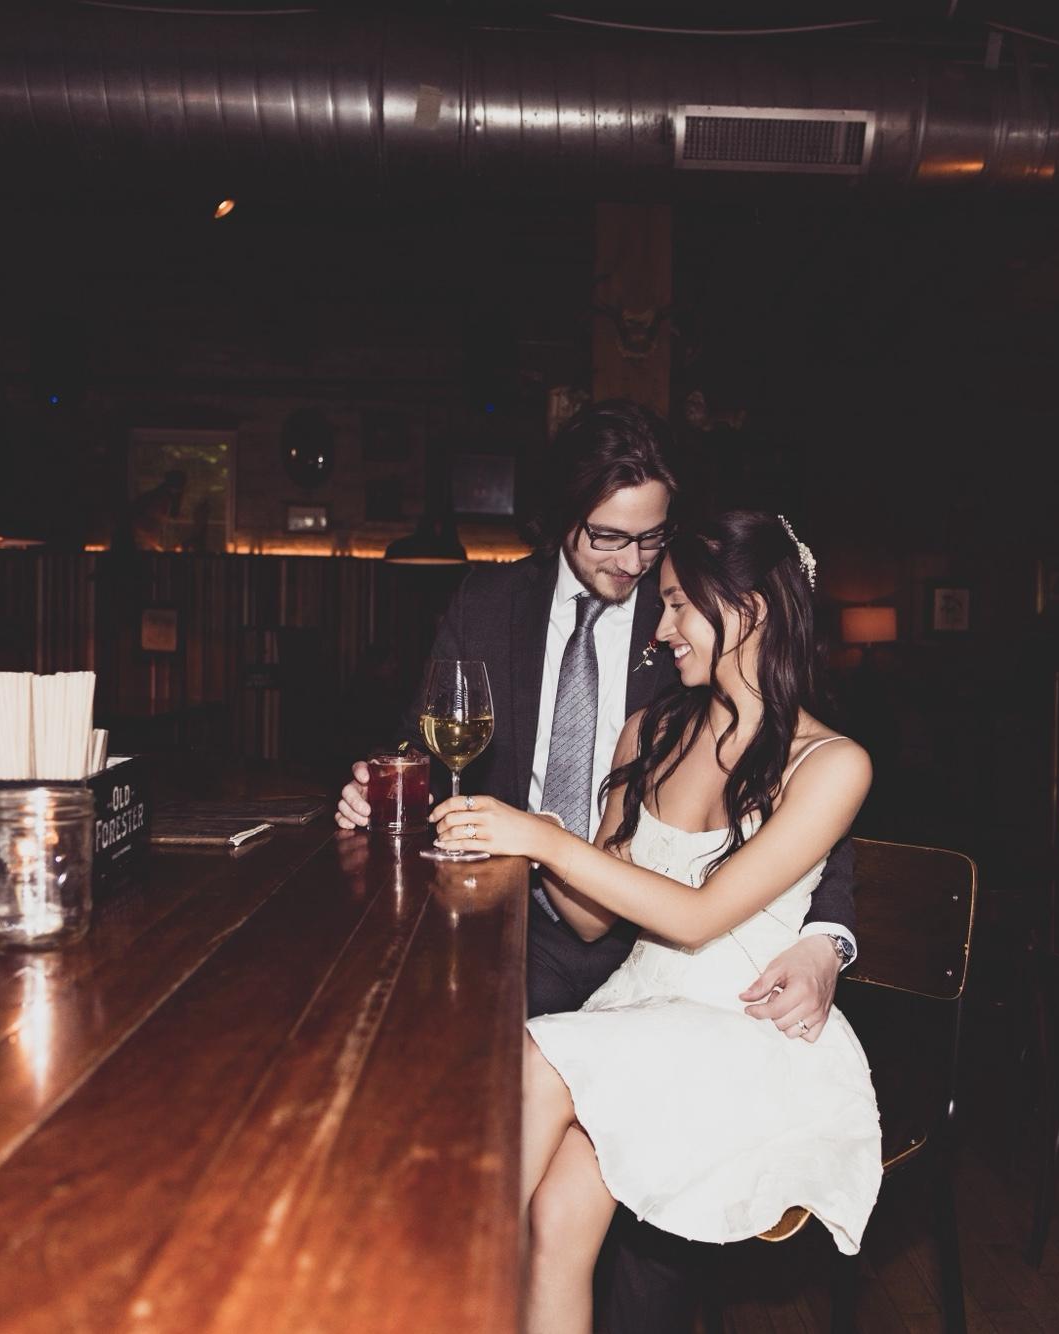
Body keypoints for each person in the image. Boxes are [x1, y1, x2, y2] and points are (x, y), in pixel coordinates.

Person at [334, 403, 860, 1330]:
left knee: (620, 1233)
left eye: (654, 545)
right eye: (611, 538)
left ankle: (404, 1291)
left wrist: (829, 938)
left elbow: (779, 860)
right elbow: (429, 753)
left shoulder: (783, 714)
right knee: (550, 1205)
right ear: (562, 520)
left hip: (717, 1000)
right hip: (560, 943)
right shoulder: (524, 631)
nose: (641, 575)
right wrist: (382, 792)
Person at [429, 510, 882, 1334]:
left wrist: (546, 839)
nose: (661, 627)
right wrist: (527, 849)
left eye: (678, 605)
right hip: (640, 1013)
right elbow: (593, 921)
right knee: (560, 1219)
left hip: (744, 1030)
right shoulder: (651, 731)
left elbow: (700, 916)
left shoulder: (834, 764)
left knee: (537, 1054)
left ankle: (416, 1285)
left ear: (749, 609)